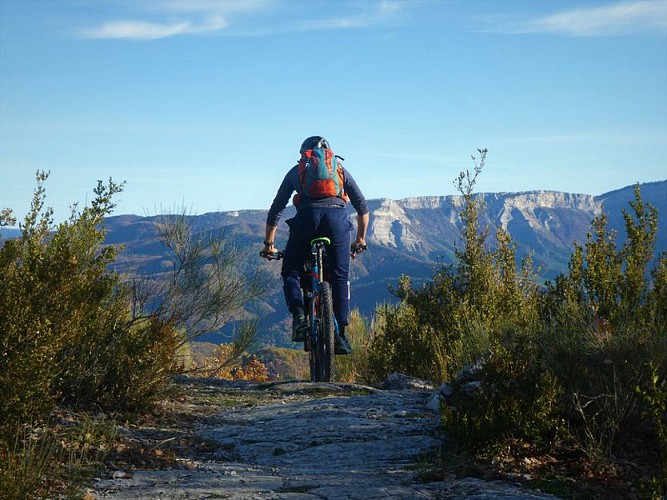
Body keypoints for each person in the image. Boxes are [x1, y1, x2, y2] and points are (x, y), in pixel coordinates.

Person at [262, 136, 369, 355]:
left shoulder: (296, 171)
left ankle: (300, 317)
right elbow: (362, 207)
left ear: (304, 155)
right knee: (339, 277)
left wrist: (269, 244)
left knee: (290, 271)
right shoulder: (339, 169)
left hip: (306, 221)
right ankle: (340, 335)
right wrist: (360, 239)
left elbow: (276, 209)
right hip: (337, 223)